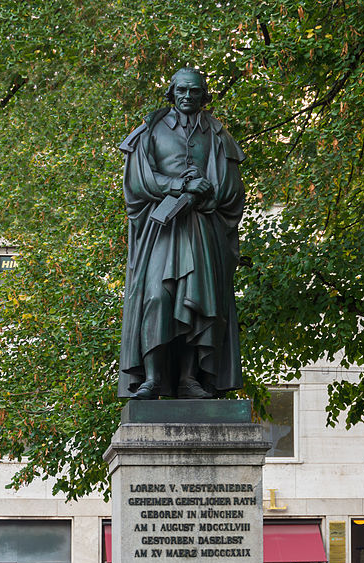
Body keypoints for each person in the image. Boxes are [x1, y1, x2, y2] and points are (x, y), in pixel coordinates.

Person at [118, 67, 245, 399]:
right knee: (156, 297)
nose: (188, 97)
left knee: (198, 301)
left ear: (204, 96)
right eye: (182, 91)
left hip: (201, 229)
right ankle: (151, 378)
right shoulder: (149, 131)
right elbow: (137, 181)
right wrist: (179, 185)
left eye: (194, 91)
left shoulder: (217, 135)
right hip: (163, 229)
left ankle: (190, 379)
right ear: (171, 93)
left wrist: (204, 195)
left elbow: (231, 188)